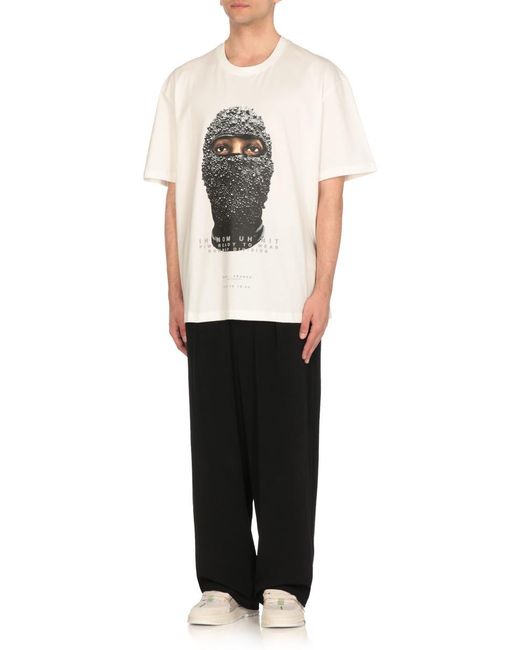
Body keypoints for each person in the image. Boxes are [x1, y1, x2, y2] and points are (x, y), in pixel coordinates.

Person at [143, 0, 377, 629]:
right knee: (214, 445)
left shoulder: (317, 78)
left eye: (250, 150)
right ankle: (221, 582)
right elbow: (174, 197)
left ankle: (283, 584)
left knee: (287, 446)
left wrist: (323, 287)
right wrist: (175, 290)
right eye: (226, 149)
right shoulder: (185, 83)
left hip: (286, 298)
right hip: (209, 297)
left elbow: (330, 191)